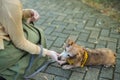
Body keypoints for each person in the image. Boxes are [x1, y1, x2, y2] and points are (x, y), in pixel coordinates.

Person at [0, 0, 60, 80]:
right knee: (36, 34)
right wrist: (47, 52)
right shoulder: (11, 2)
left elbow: (5, 12)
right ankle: (10, 72)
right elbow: (20, 43)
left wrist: (27, 12)